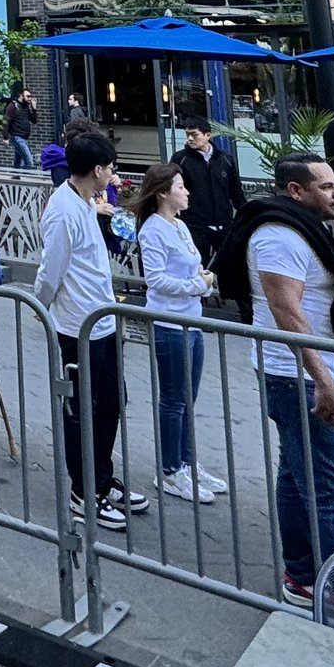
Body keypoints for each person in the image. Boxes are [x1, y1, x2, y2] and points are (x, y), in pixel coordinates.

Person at [215, 154, 334, 607]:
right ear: (295, 190)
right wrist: (322, 378)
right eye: (326, 186)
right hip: (296, 378)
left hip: (306, 374)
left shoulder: (300, 228)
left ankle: (302, 577)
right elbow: (287, 311)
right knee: (331, 492)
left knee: (295, 474)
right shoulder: (278, 236)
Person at [36, 131, 141, 530]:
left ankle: (101, 475)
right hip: (76, 323)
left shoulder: (87, 204)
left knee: (112, 401)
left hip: (103, 318)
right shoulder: (63, 210)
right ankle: (83, 490)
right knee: (82, 408)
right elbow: (51, 269)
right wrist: (40, 305)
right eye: (111, 169)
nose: (113, 176)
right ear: (96, 170)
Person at [134, 162, 222, 503]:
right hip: (169, 322)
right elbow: (155, 280)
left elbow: (193, 267)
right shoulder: (152, 230)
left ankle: (186, 460)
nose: (187, 192)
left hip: (192, 318)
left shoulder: (180, 227)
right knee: (174, 398)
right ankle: (170, 469)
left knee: (189, 396)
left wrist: (199, 281)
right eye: (180, 187)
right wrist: (195, 285)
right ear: (163, 193)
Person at [175, 121, 245, 263]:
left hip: (224, 224)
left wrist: (246, 215)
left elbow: (235, 191)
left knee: (229, 268)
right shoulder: (180, 159)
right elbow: (173, 189)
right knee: (198, 267)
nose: (189, 139)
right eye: (187, 135)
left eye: (194, 135)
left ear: (208, 135)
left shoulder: (225, 159)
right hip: (195, 226)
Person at [4, 85, 39, 169]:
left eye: (30, 96)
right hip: (16, 137)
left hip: (24, 137)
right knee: (29, 161)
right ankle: (29, 179)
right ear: (21, 95)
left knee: (17, 161)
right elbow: (5, 121)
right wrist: (5, 137)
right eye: (27, 96)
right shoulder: (13, 106)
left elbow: (34, 120)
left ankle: (14, 177)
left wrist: (34, 108)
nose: (29, 98)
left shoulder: (26, 107)